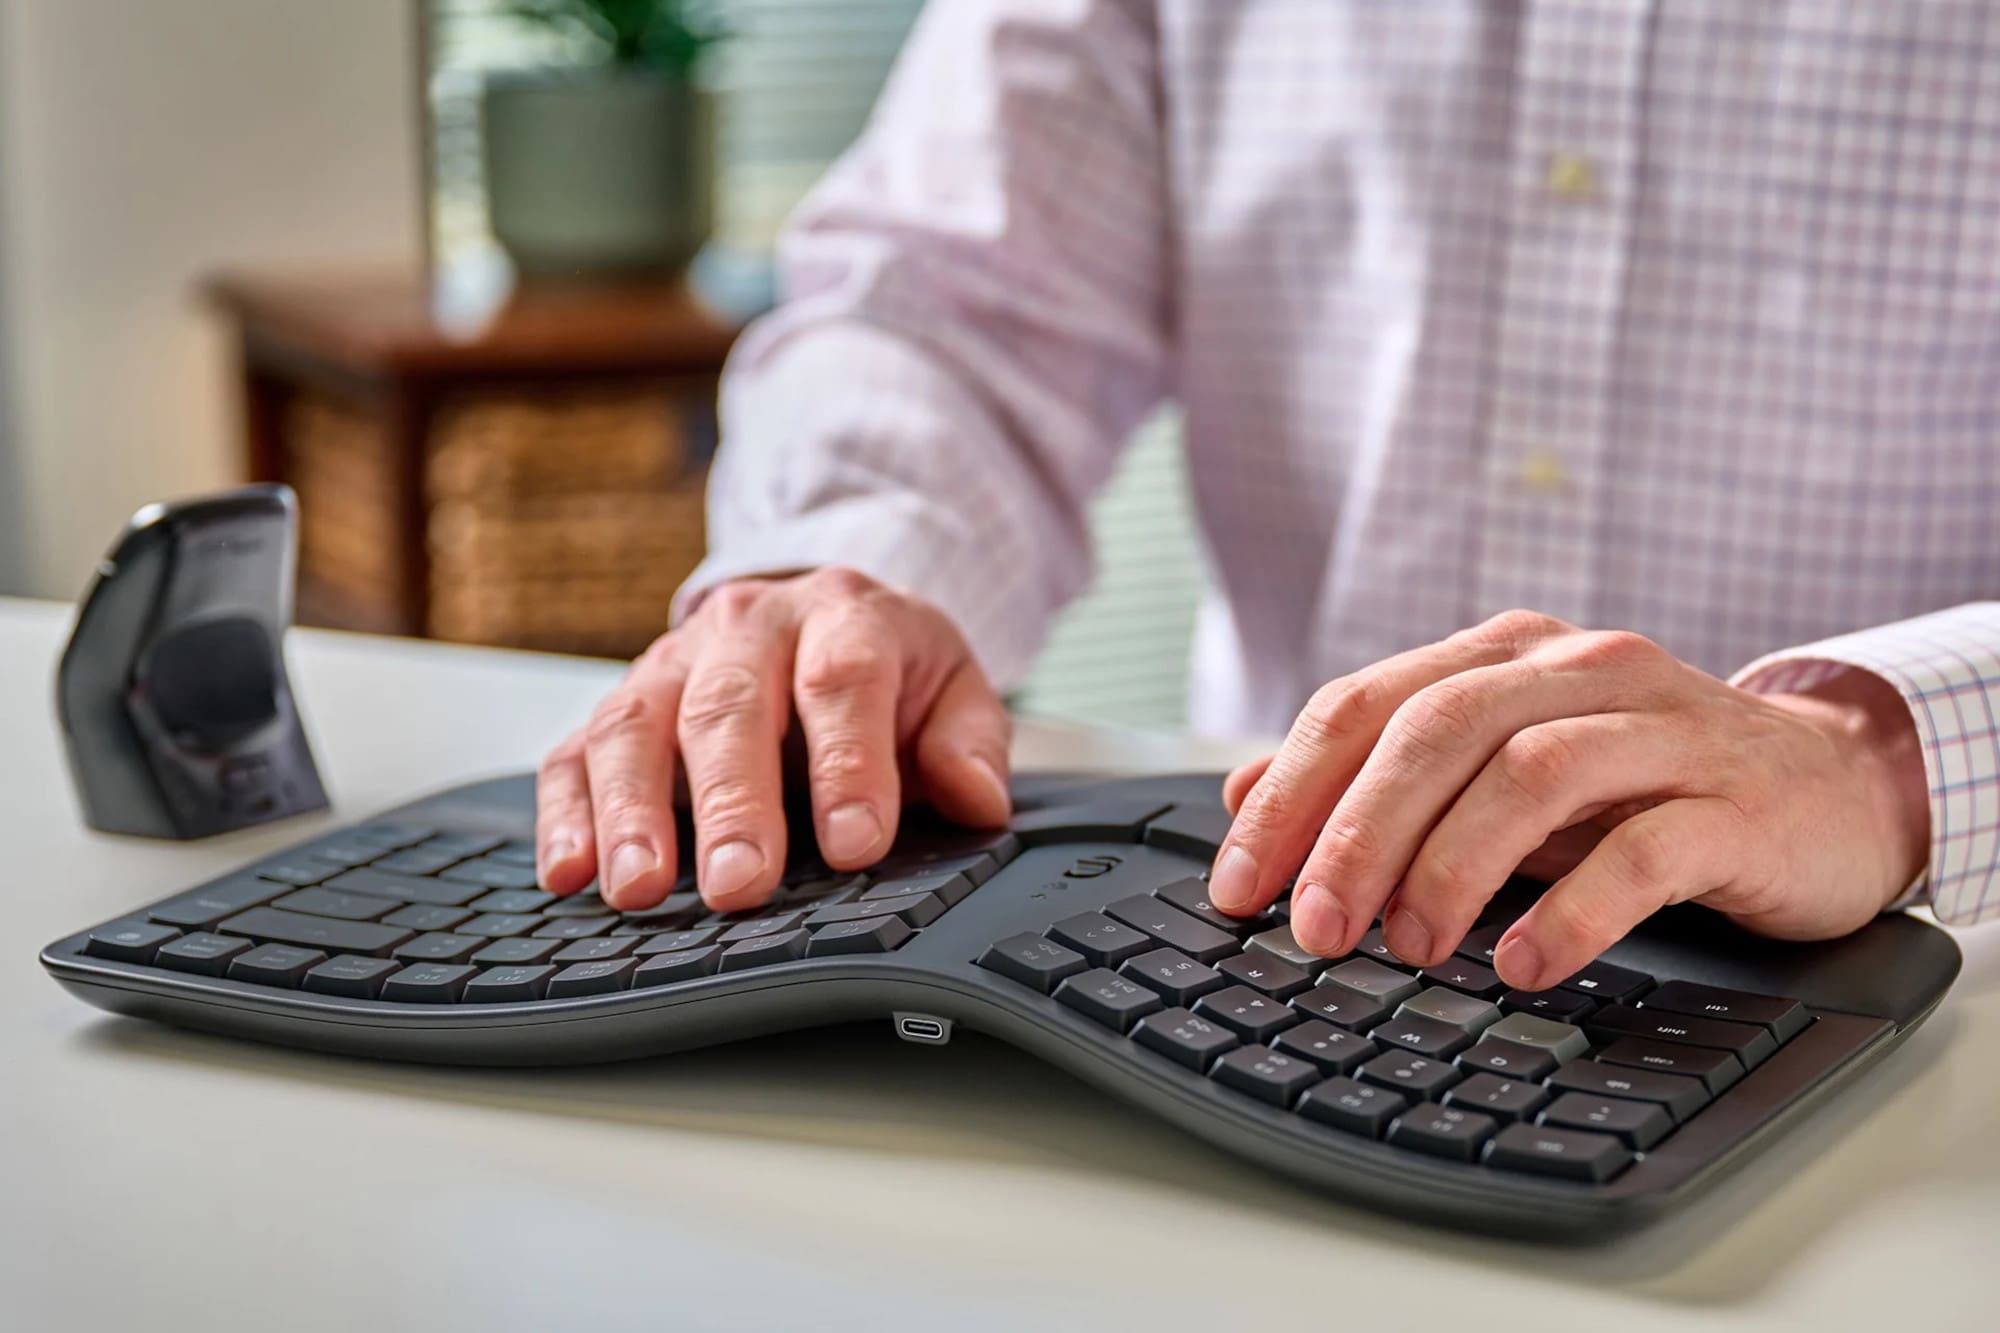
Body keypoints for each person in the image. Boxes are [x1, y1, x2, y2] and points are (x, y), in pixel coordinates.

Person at [534, 2, 2000, 990]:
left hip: (1935, 959)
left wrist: (1878, 751)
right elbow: (955, 307)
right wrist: (837, 571)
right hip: (1280, 934)